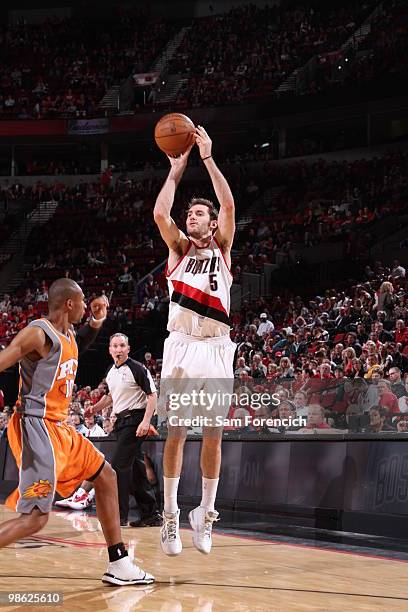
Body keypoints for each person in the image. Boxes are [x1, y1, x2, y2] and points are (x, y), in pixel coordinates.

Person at [0, 278, 154, 586]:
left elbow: (80, 340)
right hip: (36, 426)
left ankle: (119, 563)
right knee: (35, 518)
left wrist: (97, 320)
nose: (87, 306)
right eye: (83, 302)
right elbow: (6, 358)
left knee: (106, 476)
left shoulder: (68, 333)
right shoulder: (37, 332)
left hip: (60, 428)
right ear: (69, 304)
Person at [153, 125, 236, 555]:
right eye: (191, 214)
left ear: (213, 222)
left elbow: (228, 201)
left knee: (213, 433)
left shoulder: (223, 247)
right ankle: (168, 514)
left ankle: (204, 512)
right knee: (178, 432)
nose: (192, 217)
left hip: (218, 348)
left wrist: (206, 157)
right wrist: (175, 171)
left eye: (200, 214)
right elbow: (160, 216)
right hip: (183, 344)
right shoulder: (179, 250)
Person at [87, 333, 161, 528]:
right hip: (121, 423)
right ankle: (151, 514)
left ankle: (119, 515)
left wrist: (146, 422)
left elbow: (152, 396)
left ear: (128, 349)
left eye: (122, 346)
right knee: (136, 470)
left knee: (118, 467)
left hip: (136, 420)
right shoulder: (111, 372)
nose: (118, 349)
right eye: (115, 346)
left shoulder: (137, 368)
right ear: (110, 350)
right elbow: (111, 396)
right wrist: (93, 409)